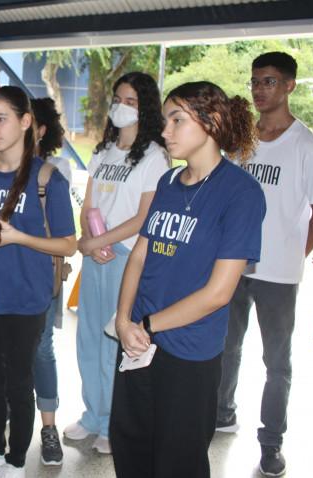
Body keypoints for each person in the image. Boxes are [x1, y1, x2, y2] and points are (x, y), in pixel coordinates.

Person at [109, 81, 266, 478]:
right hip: (137, 342)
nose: (165, 131)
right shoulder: (167, 183)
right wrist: (125, 319)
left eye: (177, 120)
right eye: (165, 121)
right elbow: (140, 254)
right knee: (131, 445)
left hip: (188, 351)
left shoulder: (241, 193)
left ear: (211, 121)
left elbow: (217, 293)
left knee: (178, 460)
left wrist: (145, 325)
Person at [0, 86, 76, 478]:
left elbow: (68, 243)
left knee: (20, 382)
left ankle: (16, 460)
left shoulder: (47, 180)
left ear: (26, 122)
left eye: (1, 119)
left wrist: (19, 237)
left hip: (26, 299)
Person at [216, 51, 313, 477]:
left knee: (277, 363)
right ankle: (221, 413)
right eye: (256, 81)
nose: (260, 89)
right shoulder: (243, 139)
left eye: (271, 81)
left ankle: (271, 443)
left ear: (290, 86)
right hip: (231, 266)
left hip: (278, 273)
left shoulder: (307, 146)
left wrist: (292, 254)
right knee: (225, 347)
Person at [64, 72, 169, 455]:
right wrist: (88, 242)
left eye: (131, 102)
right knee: (89, 336)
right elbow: (88, 203)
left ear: (146, 110)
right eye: (118, 99)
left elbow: (144, 217)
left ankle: (114, 422)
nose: (121, 107)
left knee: (116, 339)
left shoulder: (156, 156)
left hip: (126, 256)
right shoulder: (103, 150)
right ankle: (93, 413)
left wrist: (98, 242)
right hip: (97, 255)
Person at [26, 97, 73, 466]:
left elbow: (66, 239)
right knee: (8, 352)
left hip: (42, 278)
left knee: (42, 348)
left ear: (39, 129)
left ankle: (48, 427)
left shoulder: (54, 171)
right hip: (5, 281)